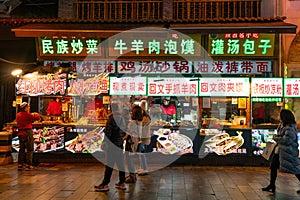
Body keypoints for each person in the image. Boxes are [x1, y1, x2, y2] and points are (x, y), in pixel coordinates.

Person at [262, 109, 300, 193]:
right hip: (280, 151)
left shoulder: (290, 127)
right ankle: (272, 185)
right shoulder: (282, 125)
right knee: (273, 166)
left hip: (288, 152)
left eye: (280, 115)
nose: (278, 116)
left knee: (295, 169)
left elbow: (287, 140)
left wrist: (276, 138)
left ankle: (272, 185)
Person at [94, 103, 127, 192]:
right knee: (120, 164)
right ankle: (122, 183)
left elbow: (108, 133)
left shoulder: (111, 118)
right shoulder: (122, 119)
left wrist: (105, 142)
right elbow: (124, 132)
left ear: (111, 109)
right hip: (119, 143)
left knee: (109, 164)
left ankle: (105, 184)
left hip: (112, 145)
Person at [16, 102, 41, 170]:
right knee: (30, 149)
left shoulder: (18, 115)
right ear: (25, 108)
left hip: (20, 133)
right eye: (28, 107)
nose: (29, 108)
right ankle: (29, 164)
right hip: (27, 132)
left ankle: (20, 164)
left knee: (22, 149)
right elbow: (37, 118)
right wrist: (36, 114)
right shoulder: (27, 114)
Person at [124, 105, 143, 183]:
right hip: (136, 141)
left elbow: (127, 134)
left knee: (129, 159)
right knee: (131, 158)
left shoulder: (132, 122)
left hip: (131, 142)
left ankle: (132, 176)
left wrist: (123, 138)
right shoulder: (140, 122)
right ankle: (132, 175)